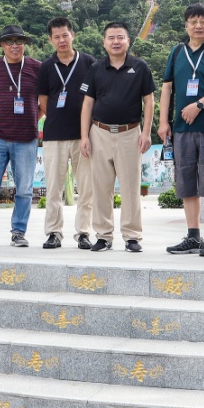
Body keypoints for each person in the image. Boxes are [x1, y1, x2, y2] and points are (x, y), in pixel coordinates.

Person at [159, 3, 204, 257]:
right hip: (182, 129)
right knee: (186, 182)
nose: (198, 26)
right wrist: (163, 122)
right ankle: (193, 236)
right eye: (193, 21)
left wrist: (199, 105)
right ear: (186, 25)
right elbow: (167, 87)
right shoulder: (177, 53)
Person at [79, 22, 155, 252]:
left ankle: (132, 236)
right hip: (99, 133)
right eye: (111, 38)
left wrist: (146, 132)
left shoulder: (140, 67)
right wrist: (84, 136)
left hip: (130, 134)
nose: (115, 42)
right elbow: (87, 104)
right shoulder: (95, 69)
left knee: (131, 187)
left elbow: (149, 101)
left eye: (120, 37)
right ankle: (103, 236)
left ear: (128, 41)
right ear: (104, 42)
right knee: (101, 188)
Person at [0, 24, 42, 247]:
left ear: (24, 44)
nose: (14, 45)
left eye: (19, 41)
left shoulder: (37, 67)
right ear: (2, 45)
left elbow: (44, 101)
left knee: (24, 189)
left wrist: (34, 117)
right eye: (9, 41)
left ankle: (19, 232)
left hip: (26, 137)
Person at [38, 17, 94, 249]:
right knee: (53, 188)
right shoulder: (46, 67)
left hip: (84, 137)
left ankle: (84, 233)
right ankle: (54, 232)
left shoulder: (89, 62)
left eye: (65, 35)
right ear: (50, 40)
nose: (61, 40)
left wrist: (87, 132)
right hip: (54, 135)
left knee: (86, 188)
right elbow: (43, 102)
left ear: (73, 35)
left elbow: (95, 97)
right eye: (56, 37)